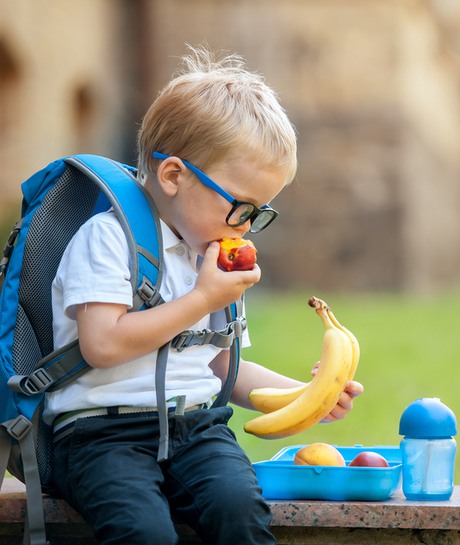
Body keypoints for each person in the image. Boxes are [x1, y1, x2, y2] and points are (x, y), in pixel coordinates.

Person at [44, 45, 364, 545]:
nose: (245, 224)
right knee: (143, 533)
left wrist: (309, 397)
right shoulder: (108, 240)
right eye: (240, 205)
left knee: (241, 512)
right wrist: (201, 299)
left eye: (258, 211)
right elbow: (101, 345)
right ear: (173, 176)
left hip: (196, 429)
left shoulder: (212, 258)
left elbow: (220, 368)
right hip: (101, 435)